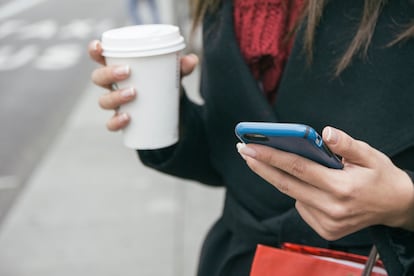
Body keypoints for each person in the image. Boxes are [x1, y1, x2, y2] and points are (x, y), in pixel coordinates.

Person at [89, 0, 414, 275]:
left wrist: (404, 203)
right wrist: (163, 110)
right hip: (241, 258)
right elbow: (234, 160)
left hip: (374, 259)